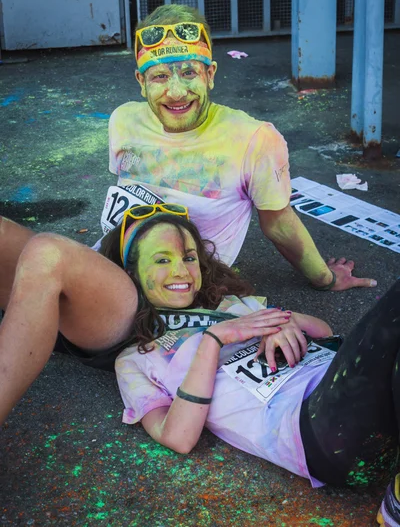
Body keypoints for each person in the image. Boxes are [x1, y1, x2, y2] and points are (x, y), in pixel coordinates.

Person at [0, 207, 399, 526]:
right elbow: (178, 437)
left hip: (353, 389)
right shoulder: (138, 357)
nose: (181, 270)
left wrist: (285, 319)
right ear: (131, 275)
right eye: (162, 259)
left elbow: (324, 330)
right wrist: (214, 341)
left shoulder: (232, 307)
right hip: (318, 430)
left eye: (189, 257)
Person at [107, 3, 376, 292]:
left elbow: (279, 224)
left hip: (183, 289)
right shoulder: (124, 119)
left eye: (188, 73)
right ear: (141, 82)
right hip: (117, 267)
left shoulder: (255, 140)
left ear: (209, 75)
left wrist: (326, 278)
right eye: (159, 76)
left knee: (52, 256)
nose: (175, 92)